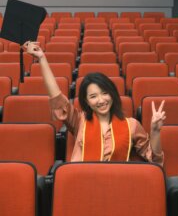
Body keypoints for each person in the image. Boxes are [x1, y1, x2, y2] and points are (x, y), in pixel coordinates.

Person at [24, 41, 166, 165]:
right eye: (93, 96)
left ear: (112, 94)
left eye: (105, 93)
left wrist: (155, 131)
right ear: (86, 101)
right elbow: (56, 98)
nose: (101, 100)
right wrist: (42, 59)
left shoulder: (132, 125)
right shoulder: (79, 121)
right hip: (82, 183)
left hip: (117, 184)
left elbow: (154, 161)